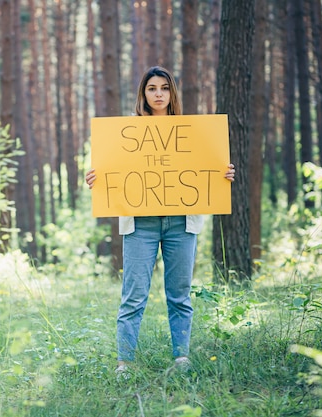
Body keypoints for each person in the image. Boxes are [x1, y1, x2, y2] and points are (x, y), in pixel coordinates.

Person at [85, 66, 235, 373]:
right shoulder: (127, 134)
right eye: (152, 88)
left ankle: (181, 358)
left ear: (172, 93)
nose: (158, 94)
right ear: (143, 93)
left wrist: (223, 174)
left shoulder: (191, 132)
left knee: (179, 295)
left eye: (164, 88)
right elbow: (111, 171)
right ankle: (125, 362)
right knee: (134, 296)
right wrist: (96, 178)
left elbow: (207, 168)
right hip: (141, 224)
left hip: (181, 223)